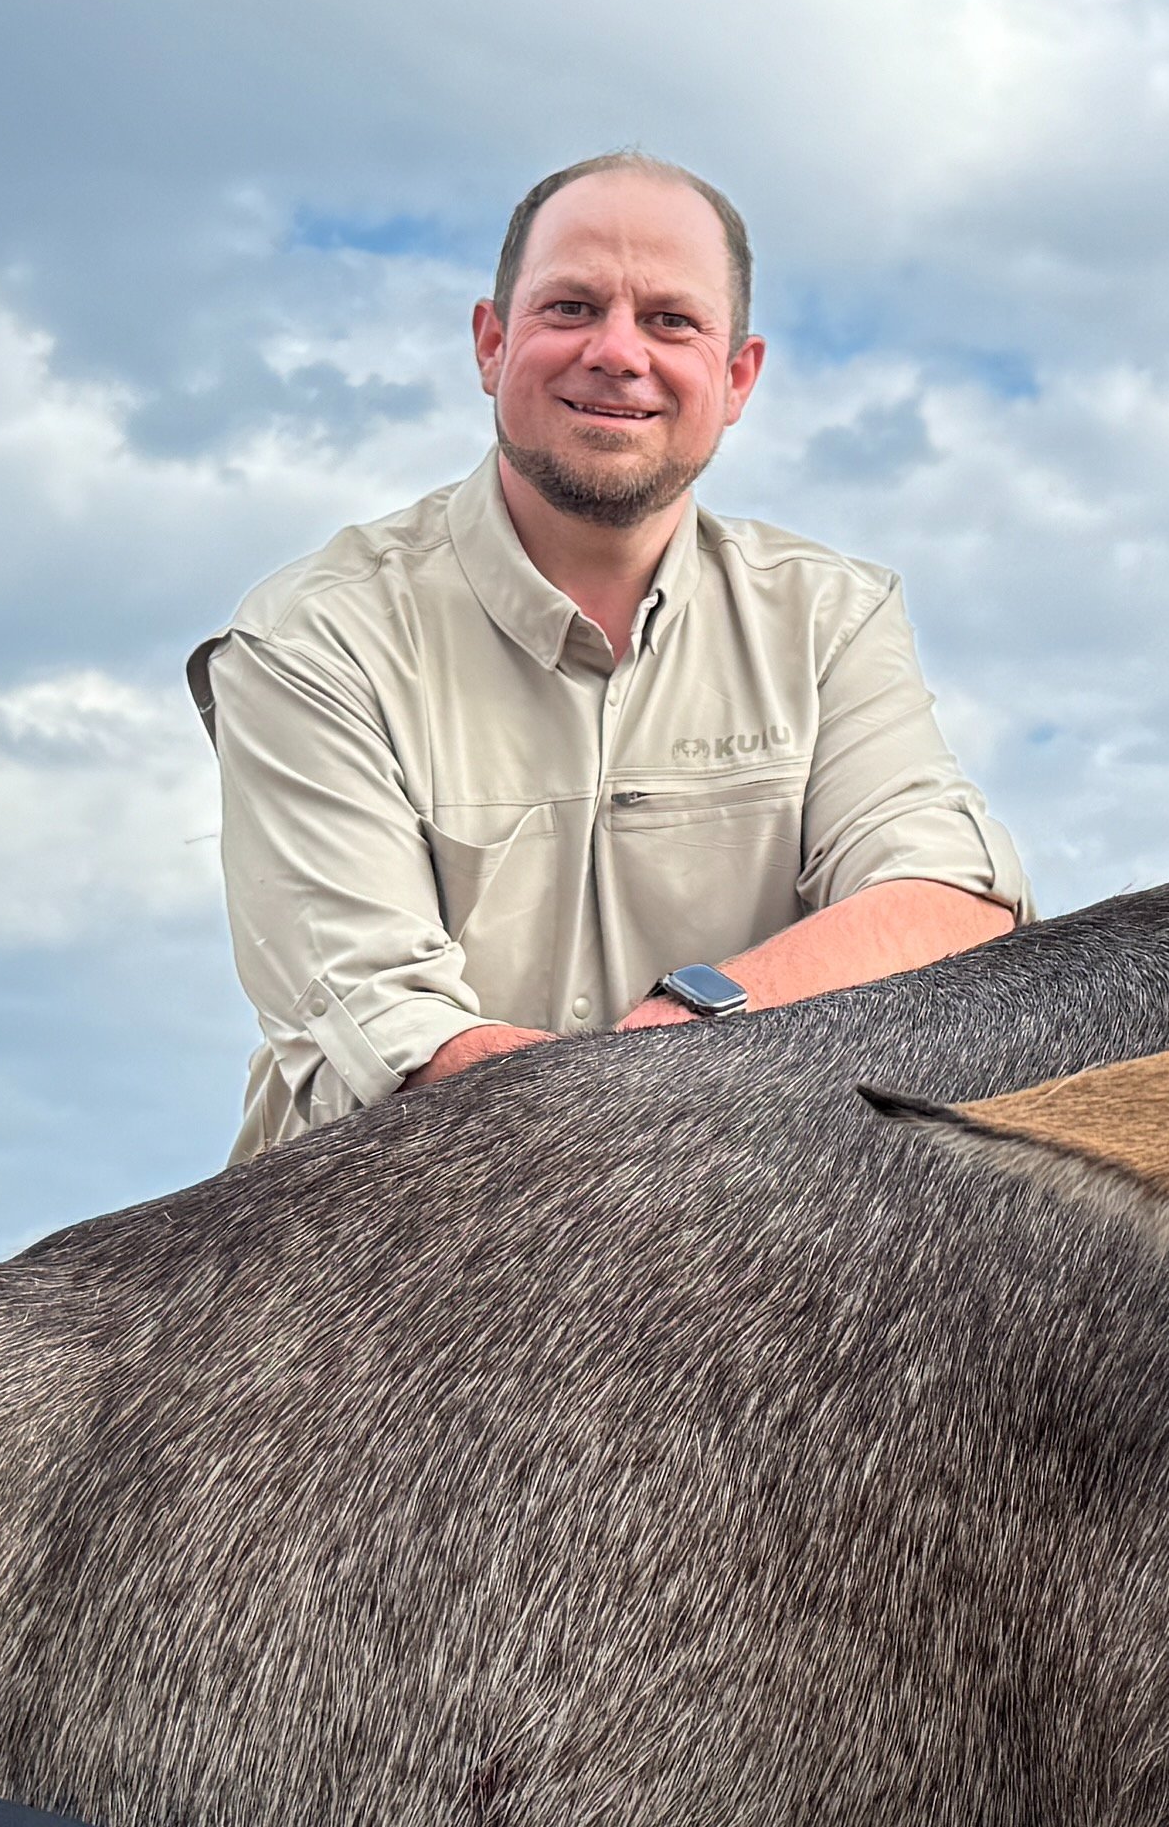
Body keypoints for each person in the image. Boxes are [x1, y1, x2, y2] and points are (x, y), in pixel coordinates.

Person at [190, 151, 1029, 1162]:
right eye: (572, 308)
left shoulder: (831, 618)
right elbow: (397, 1037)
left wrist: (687, 1022)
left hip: (741, 1247)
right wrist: (676, 1089)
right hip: (362, 1274)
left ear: (737, 378)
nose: (618, 352)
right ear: (492, 346)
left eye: (671, 321)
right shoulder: (311, 639)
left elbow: (944, 900)